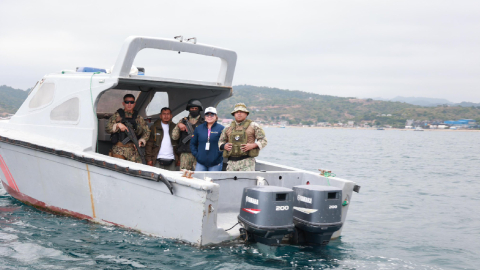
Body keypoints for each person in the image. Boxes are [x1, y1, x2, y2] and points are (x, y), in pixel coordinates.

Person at [218, 103, 267, 171]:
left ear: (246, 114)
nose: (239, 114)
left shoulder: (254, 126)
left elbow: (263, 140)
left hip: (247, 163)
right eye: (237, 112)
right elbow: (221, 141)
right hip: (231, 163)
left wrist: (253, 145)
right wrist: (224, 146)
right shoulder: (227, 127)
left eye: (241, 112)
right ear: (234, 114)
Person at [105, 94, 150, 163]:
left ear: (134, 104)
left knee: (139, 167)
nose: (129, 104)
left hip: (133, 150)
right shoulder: (117, 115)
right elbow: (107, 128)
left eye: (131, 102)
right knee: (119, 167)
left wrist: (141, 141)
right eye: (127, 102)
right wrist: (117, 125)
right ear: (123, 103)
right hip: (118, 149)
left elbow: (147, 132)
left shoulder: (138, 118)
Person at [172, 99, 205, 170]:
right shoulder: (183, 121)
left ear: (199, 109)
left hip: (199, 153)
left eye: (196, 108)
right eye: (192, 108)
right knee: (184, 174)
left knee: (199, 175)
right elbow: (174, 137)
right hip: (185, 153)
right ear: (189, 109)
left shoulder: (204, 122)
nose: (194, 110)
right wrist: (179, 125)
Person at [190, 107, 225, 171]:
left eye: (212, 114)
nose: (209, 116)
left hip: (215, 163)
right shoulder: (199, 128)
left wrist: (218, 155)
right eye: (207, 114)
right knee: (198, 180)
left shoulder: (221, 128)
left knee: (212, 180)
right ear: (205, 116)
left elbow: (224, 144)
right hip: (201, 163)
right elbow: (193, 143)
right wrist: (197, 155)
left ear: (216, 116)